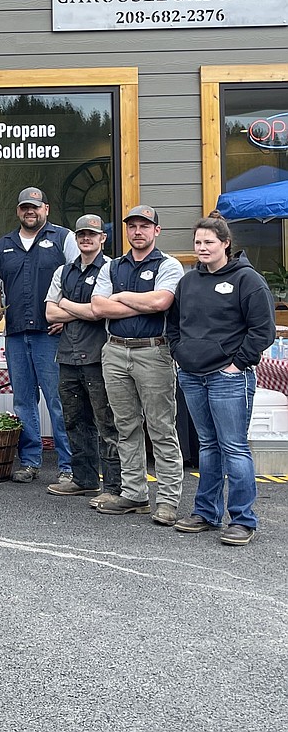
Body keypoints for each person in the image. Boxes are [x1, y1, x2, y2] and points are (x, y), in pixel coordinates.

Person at [168, 217, 274, 546]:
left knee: (234, 448)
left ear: (225, 243)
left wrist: (237, 364)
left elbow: (263, 330)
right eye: (198, 243)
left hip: (229, 378)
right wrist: (179, 353)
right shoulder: (188, 282)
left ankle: (243, 519)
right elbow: (173, 323)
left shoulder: (248, 280)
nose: (202, 248)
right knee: (208, 446)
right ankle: (206, 512)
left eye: (209, 243)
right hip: (192, 375)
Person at [91, 205, 184, 524]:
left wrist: (121, 297)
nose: (138, 231)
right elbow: (98, 306)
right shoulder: (112, 266)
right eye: (132, 226)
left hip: (153, 352)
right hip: (115, 351)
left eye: (145, 226)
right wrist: (138, 304)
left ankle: (169, 501)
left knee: (161, 427)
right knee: (125, 427)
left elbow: (162, 303)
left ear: (157, 230)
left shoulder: (168, 265)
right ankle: (135, 495)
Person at [0, 186, 79, 483]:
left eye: (35, 207)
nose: (30, 211)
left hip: (51, 335)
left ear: (46, 209)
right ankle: (30, 462)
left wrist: (67, 315)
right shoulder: (4, 244)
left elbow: (80, 277)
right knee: (23, 402)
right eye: (25, 207)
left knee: (58, 401)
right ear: (18, 211)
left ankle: (69, 467)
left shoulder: (64, 238)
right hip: (15, 334)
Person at [43, 214, 120, 504]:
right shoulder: (63, 271)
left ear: (103, 238)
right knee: (75, 422)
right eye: (81, 235)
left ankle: (113, 487)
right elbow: (50, 314)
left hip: (99, 357)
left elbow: (99, 312)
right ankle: (84, 479)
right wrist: (80, 309)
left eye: (92, 234)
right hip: (68, 356)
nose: (86, 239)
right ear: (76, 239)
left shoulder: (111, 269)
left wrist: (65, 304)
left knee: (106, 424)